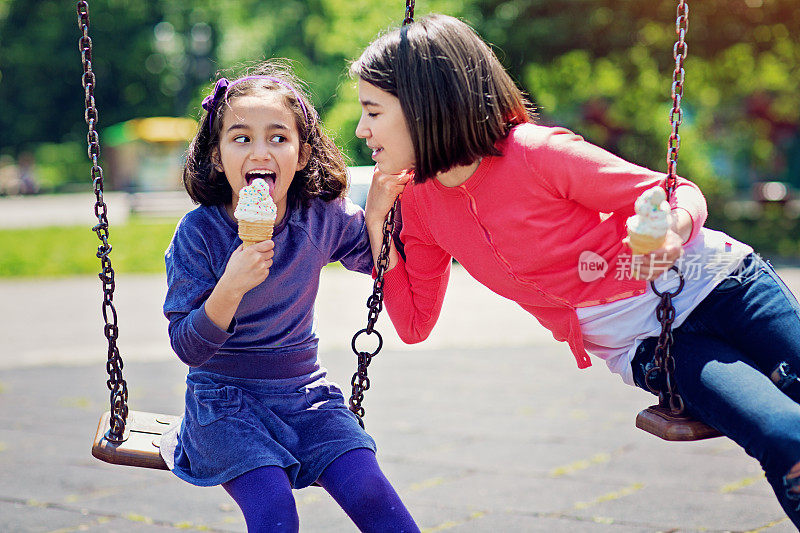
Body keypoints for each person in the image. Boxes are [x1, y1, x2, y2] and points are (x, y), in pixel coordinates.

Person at [354, 14, 800, 525]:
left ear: (424, 105)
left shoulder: (535, 154)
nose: (363, 129)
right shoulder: (420, 205)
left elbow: (674, 191)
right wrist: (377, 224)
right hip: (651, 343)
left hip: (723, 285)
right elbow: (412, 325)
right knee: (785, 436)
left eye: (373, 111)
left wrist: (670, 229)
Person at [160, 61, 419, 533]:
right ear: (218, 156)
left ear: (301, 155)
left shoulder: (320, 216)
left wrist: (378, 213)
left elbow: (381, 268)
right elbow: (187, 346)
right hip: (225, 403)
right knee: (273, 508)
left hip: (306, 396)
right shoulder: (199, 234)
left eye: (278, 138)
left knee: (374, 496)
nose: (260, 150)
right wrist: (231, 285)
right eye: (241, 138)